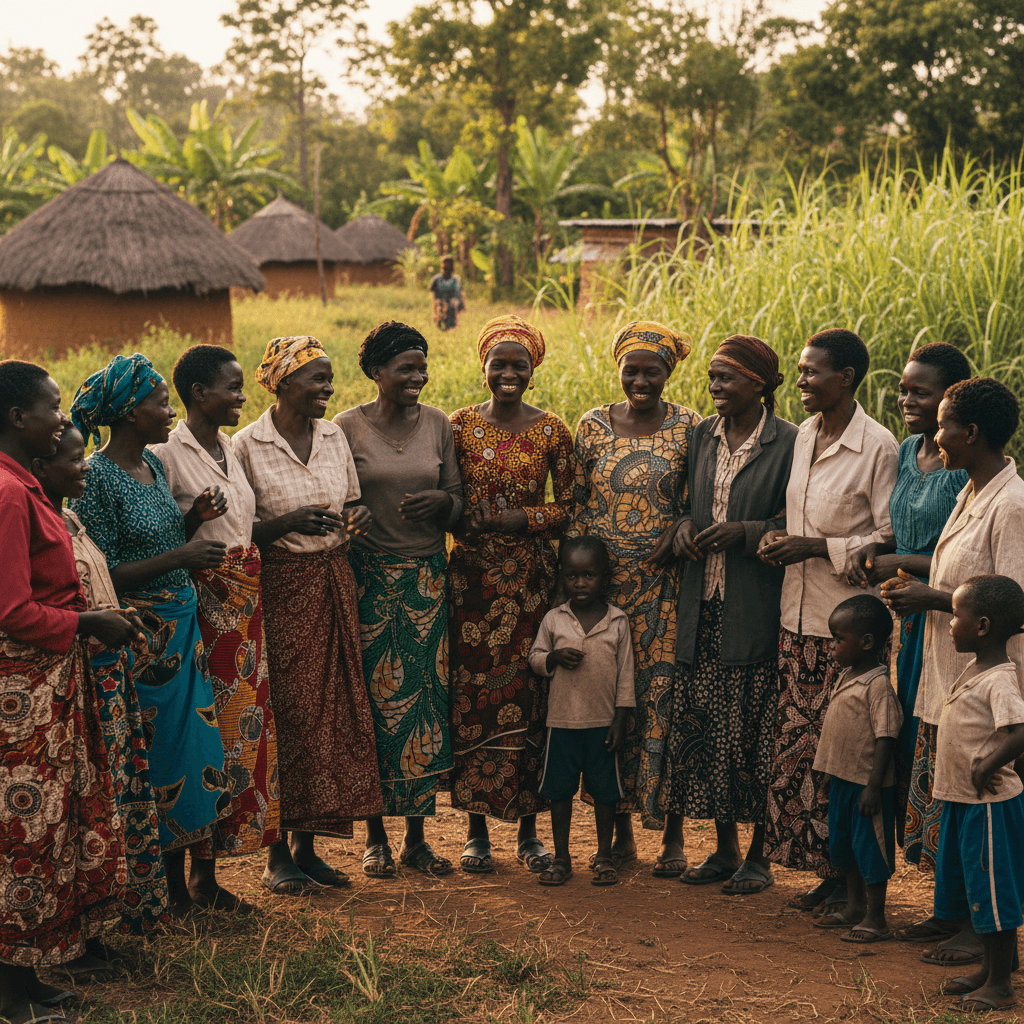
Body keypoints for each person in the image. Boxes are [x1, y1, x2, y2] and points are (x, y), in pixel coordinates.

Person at [69, 354, 241, 920]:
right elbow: (103, 573)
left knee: (196, 752)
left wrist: (193, 520)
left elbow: (163, 541)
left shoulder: (152, 465)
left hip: (183, 630)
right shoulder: (96, 478)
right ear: (128, 411)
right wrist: (183, 555)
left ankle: (196, 883)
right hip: (141, 639)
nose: (170, 412)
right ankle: (162, 892)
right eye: (161, 403)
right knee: (160, 757)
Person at [1, 360, 138, 1024]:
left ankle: (28, 976)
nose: (63, 419)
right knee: (22, 832)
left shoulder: (25, 488)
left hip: (48, 681)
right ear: (17, 417)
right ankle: (8, 990)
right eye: (52, 407)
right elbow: (11, 610)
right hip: (23, 693)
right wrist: (89, 624)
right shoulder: (8, 494)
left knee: (47, 827)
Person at [881, 376, 1024, 968]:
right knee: (953, 798)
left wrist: (932, 598)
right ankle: (951, 912)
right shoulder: (971, 491)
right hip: (954, 676)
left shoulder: (1011, 505)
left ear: (972, 432)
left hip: (990, 685)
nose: (935, 435)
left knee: (978, 809)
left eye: (943, 425)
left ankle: (977, 929)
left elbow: (1013, 602)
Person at [233, 336, 384, 895]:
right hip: (280, 588)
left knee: (327, 715)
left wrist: (357, 517)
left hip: (333, 580)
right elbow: (236, 529)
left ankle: (306, 847)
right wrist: (286, 523)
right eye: (317, 378)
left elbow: (351, 503)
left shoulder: (333, 436)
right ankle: (275, 855)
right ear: (283, 382)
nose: (328, 388)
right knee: (286, 714)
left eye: (329, 378)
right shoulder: (248, 445)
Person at [758, 329, 898, 913]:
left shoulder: (878, 446)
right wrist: (778, 538)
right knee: (805, 755)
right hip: (797, 620)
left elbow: (888, 538)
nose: (801, 381)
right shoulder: (804, 435)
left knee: (846, 760)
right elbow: (796, 515)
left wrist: (816, 548)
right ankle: (828, 871)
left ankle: (852, 881)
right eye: (800, 370)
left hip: (844, 632)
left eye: (812, 372)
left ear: (846, 378)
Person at [32, 424, 169, 960]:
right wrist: (95, 624)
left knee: (105, 806)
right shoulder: (33, 520)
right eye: (73, 459)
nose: (85, 466)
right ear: (41, 468)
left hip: (105, 678)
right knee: (78, 810)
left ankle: (94, 929)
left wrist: (119, 616)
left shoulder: (69, 517)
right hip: (74, 681)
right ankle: (69, 938)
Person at [152, 345, 281, 901]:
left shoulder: (230, 448)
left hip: (243, 613)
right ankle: (180, 878)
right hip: (200, 611)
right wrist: (193, 519)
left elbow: (244, 530)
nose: (241, 397)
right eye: (231, 387)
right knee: (199, 737)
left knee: (236, 736)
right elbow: (160, 541)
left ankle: (208, 876)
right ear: (199, 394)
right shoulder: (164, 455)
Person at [334, 322, 462, 878]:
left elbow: (457, 499)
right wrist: (351, 514)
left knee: (422, 709)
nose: (418, 376)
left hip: (426, 583)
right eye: (406, 367)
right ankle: (375, 837)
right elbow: (335, 498)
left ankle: (416, 838)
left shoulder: (437, 423)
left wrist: (441, 503)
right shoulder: (345, 428)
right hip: (367, 581)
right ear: (376, 371)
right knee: (375, 707)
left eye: (422, 366)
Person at [670, 335, 796, 894]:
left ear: (758, 384)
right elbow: (685, 502)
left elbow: (798, 519)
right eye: (712, 377)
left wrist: (747, 532)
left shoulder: (789, 442)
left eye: (726, 378)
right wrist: (683, 526)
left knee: (755, 734)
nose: (715, 387)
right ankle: (724, 849)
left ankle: (759, 857)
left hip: (754, 607)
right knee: (712, 731)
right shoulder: (703, 435)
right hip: (703, 606)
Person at [570, 320, 698, 876]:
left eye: (653, 371)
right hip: (604, 594)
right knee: (610, 708)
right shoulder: (592, 426)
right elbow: (577, 505)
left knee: (664, 705)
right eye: (631, 371)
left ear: (669, 372)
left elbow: (701, 500)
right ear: (617, 370)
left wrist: (685, 525)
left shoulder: (690, 426)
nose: (640, 381)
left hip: (665, 591)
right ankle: (618, 830)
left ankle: (672, 834)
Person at [448, 314, 574, 875]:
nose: (508, 373)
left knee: (530, 697)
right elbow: (447, 496)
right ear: (483, 367)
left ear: (532, 369)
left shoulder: (552, 431)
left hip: (530, 584)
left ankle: (529, 831)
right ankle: (476, 832)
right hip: (471, 584)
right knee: (472, 698)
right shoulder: (458, 426)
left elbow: (571, 506)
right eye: (498, 363)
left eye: (518, 364)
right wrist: (465, 518)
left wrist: (523, 517)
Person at [846, 343, 971, 874]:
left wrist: (902, 561)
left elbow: (960, 550)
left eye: (920, 391)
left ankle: (951, 864)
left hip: (949, 612)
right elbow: (902, 528)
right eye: (902, 390)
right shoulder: (904, 452)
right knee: (911, 730)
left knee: (944, 730)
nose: (906, 400)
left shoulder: (963, 465)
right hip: (910, 615)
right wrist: (878, 547)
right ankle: (925, 853)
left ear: (951, 399)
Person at [929, 575, 1024, 1013]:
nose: (950, 623)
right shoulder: (977, 667)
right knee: (977, 886)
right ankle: (992, 969)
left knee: (993, 890)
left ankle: (1001, 986)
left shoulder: (1000, 679)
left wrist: (987, 765)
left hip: (989, 806)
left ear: (982, 626)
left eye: (955, 615)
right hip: (966, 801)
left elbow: (1018, 731)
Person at [528, 537, 634, 887]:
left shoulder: (617, 621)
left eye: (589, 575)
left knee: (605, 794)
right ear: (562, 576)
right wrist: (554, 658)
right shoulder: (554, 619)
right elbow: (535, 657)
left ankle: (604, 856)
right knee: (560, 793)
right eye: (572, 576)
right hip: (562, 723)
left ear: (604, 576)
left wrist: (620, 719)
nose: (580, 583)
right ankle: (561, 858)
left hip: (602, 724)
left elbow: (626, 675)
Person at [811, 595, 900, 943]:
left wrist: (874, 786)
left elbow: (886, 736)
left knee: (871, 850)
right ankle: (853, 907)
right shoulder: (847, 675)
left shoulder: (878, 686)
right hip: (842, 782)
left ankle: (876, 918)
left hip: (866, 786)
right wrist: (829, 774)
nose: (832, 646)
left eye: (838, 639)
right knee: (845, 848)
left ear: (866, 642)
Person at [429, 256, 465, 331]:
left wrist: (459, 304)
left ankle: (452, 324)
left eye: (448, 269)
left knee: (452, 305)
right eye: (444, 268)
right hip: (440, 302)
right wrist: (436, 304)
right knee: (441, 309)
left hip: (452, 302)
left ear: (452, 268)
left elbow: (458, 293)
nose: (446, 270)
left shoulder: (455, 279)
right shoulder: (436, 279)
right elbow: (433, 293)